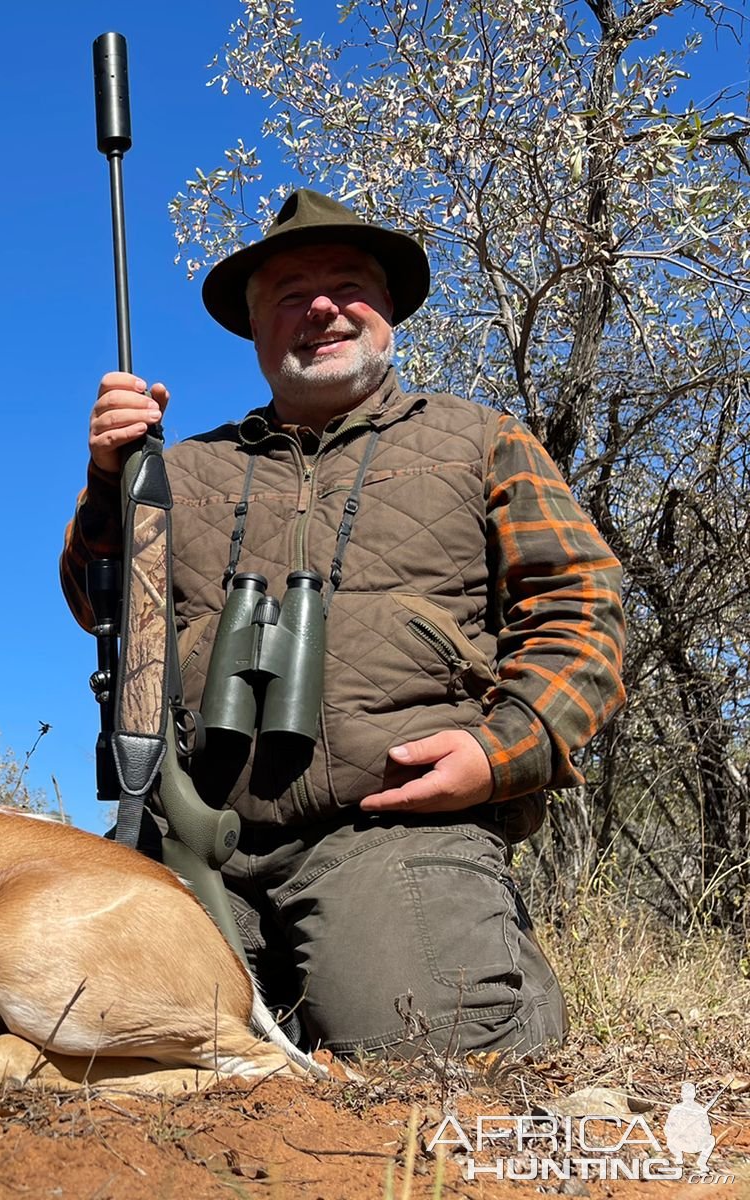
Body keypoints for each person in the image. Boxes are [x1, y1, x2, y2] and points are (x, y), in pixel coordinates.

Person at [60, 189, 625, 1059]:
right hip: (195, 832)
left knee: (430, 1052)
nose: (320, 307)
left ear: (387, 308)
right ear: (255, 329)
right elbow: (100, 605)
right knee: (74, 1021)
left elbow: (580, 607)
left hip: (391, 828)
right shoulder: (182, 467)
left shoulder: (481, 440)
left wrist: (502, 750)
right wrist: (111, 479)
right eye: (289, 293)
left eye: (347, 285)